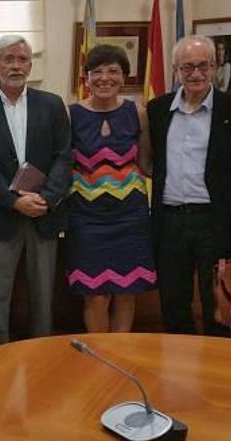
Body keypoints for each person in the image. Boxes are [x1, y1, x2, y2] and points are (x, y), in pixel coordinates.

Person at [0, 35, 71, 347]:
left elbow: (64, 156)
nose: (16, 65)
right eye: (9, 59)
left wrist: (47, 198)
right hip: (1, 216)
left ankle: (41, 361)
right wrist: (14, 201)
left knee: (43, 298)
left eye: (22, 59)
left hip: (43, 214)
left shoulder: (51, 104)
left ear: (30, 65)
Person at [147, 35, 231, 337]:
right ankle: (178, 377)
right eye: (187, 67)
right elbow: (150, 163)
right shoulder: (157, 110)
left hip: (216, 223)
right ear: (175, 70)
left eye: (204, 66)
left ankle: (216, 379)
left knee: (219, 308)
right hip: (170, 221)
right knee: (173, 306)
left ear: (215, 67)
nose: (196, 74)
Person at [66, 45, 155, 332]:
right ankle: (99, 362)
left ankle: (121, 359)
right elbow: (63, 166)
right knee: (95, 297)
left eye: (113, 71)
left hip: (130, 216)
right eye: (97, 71)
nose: (105, 78)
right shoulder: (71, 114)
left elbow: (144, 163)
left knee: (126, 294)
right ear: (87, 78)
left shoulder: (138, 112)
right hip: (86, 218)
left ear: (124, 77)